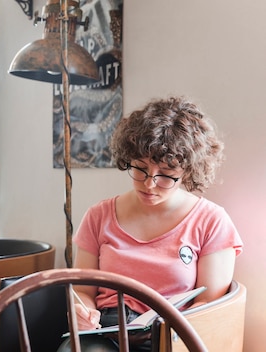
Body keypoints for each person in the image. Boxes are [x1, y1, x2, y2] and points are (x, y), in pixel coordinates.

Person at [58, 96, 243, 351]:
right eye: (140, 169)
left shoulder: (211, 221)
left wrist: (169, 328)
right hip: (107, 331)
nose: (149, 184)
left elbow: (209, 306)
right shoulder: (99, 215)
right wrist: (83, 312)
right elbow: (83, 290)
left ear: (187, 172)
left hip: (171, 332)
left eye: (166, 175)